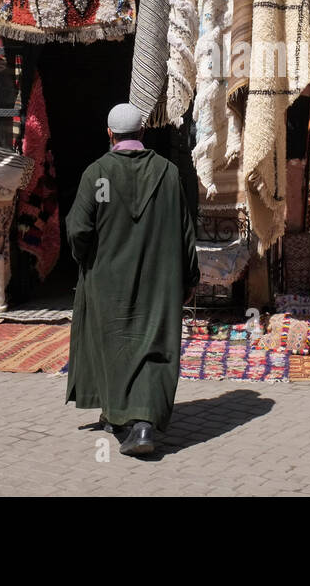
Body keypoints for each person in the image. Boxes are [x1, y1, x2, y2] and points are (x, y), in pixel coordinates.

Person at [65, 103, 198, 457]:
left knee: (114, 343)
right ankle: (132, 419)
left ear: (110, 134)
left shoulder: (99, 175)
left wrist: (87, 261)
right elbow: (187, 230)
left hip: (108, 281)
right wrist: (189, 278)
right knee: (153, 345)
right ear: (142, 133)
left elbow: (79, 229)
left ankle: (132, 422)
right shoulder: (168, 173)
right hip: (161, 282)